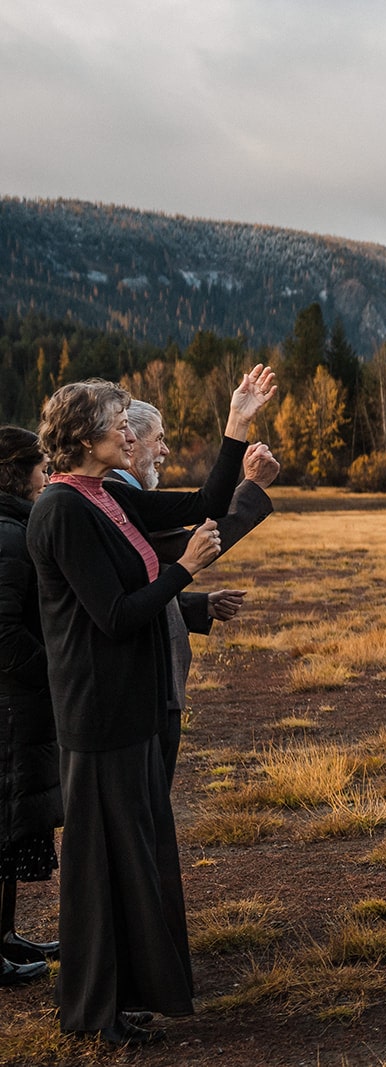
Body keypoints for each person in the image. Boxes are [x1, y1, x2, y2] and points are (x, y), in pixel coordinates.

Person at [29, 368, 276, 1044]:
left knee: (133, 862)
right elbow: (113, 615)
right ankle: (90, 1014)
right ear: (83, 435)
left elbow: (206, 499)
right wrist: (185, 570)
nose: (131, 431)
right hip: (99, 716)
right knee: (99, 868)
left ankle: (119, 997)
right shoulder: (61, 510)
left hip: (131, 709)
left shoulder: (106, 496)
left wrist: (237, 421)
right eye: (119, 421)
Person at [117, 399, 277, 784]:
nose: (166, 450)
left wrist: (194, 606)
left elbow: (135, 588)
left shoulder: (118, 496)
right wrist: (252, 486)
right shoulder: (116, 495)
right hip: (142, 693)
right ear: (129, 440)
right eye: (159, 439)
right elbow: (194, 543)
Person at [0, 428, 57, 986]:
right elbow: (3, 637)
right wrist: (55, 669)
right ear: (17, 472)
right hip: (9, 713)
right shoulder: (8, 536)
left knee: (11, 829)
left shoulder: (16, 528)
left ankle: (7, 936)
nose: (47, 478)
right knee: (2, 826)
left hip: (16, 710)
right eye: (41, 468)